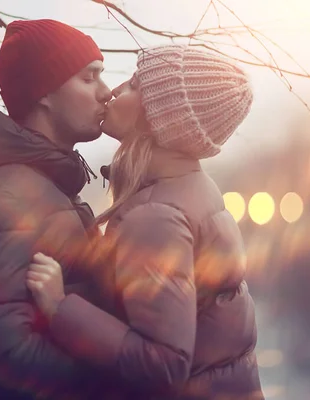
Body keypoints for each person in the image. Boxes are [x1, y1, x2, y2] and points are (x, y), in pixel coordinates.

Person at [27, 45, 264, 399]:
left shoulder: (156, 217)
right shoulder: (191, 188)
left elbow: (163, 365)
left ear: (160, 118)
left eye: (135, 86)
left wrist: (61, 308)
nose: (114, 90)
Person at [0, 19, 115, 399]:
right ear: (44, 93)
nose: (107, 92)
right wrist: (119, 376)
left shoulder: (48, 188)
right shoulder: (6, 198)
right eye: (89, 78)